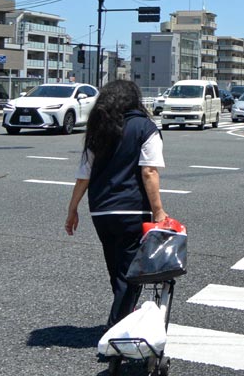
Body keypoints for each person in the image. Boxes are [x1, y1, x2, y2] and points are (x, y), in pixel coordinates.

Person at [64, 80, 167, 326]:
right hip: (132, 208)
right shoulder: (145, 127)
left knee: (116, 269)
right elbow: (149, 171)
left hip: (101, 210)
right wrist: (159, 211)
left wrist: (72, 209)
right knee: (130, 273)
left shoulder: (98, 129)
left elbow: (83, 175)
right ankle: (117, 329)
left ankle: (123, 318)